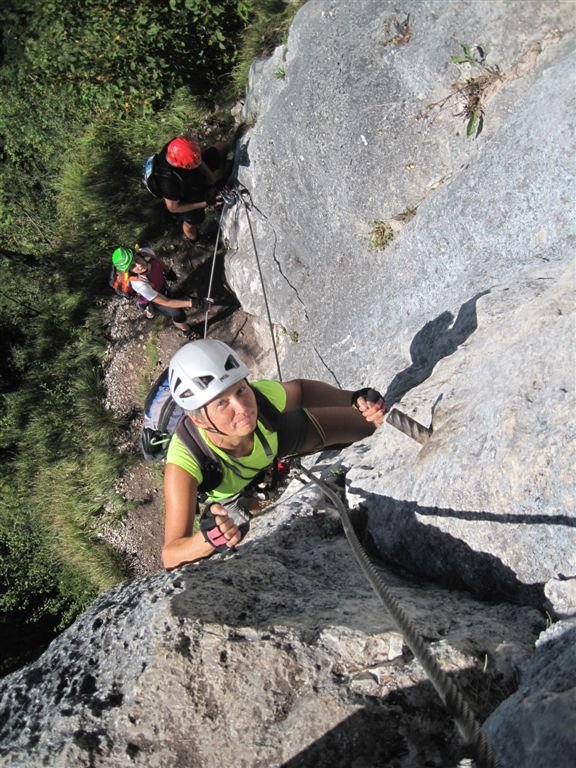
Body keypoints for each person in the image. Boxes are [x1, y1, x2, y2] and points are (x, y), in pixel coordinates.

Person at [163, 340, 387, 569]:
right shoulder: (186, 462)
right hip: (232, 496)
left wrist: (354, 399)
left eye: (241, 390)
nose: (242, 408)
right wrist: (209, 539)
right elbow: (171, 555)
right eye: (222, 403)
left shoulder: (260, 398)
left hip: (277, 440)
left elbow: (301, 392)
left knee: (370, 424)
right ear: (199, 420)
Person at [153, 136, 229, 242]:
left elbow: (198, 161)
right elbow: (173, 208)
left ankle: (219, 173)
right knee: (192, 222)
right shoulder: (169, 184)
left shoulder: (179, 146)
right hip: (186, 195)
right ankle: (195, 239)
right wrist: (205, 203)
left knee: (221, 147)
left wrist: (213, 179)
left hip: (191, 173)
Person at [111, 246, 201, 335]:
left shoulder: (146, 252)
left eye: (136, 259)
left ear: (137, 254)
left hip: (159, 287)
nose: (139, 265)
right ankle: (186, 330)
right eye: (133, 266)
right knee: (177, 312)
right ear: (129, 271)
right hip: (150, 300)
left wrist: (167, 271)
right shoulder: (139, 284)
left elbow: (156, 260)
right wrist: (192, 303)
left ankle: (153, 309)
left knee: (169, 296)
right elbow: (166, 302)